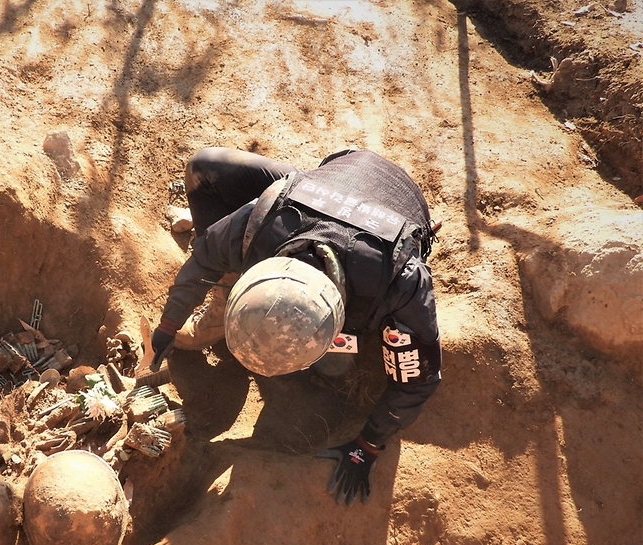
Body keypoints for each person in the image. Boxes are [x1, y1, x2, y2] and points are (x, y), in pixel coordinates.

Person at [150, 147, 442, 506]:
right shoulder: (264, 223)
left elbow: (418, 380)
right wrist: (168, 324)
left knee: (336, 367)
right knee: (203, 168)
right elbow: (203, 259)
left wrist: (367, 445)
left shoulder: (397, 280)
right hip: (333, 175)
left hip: (398, 200)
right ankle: (224, 300)